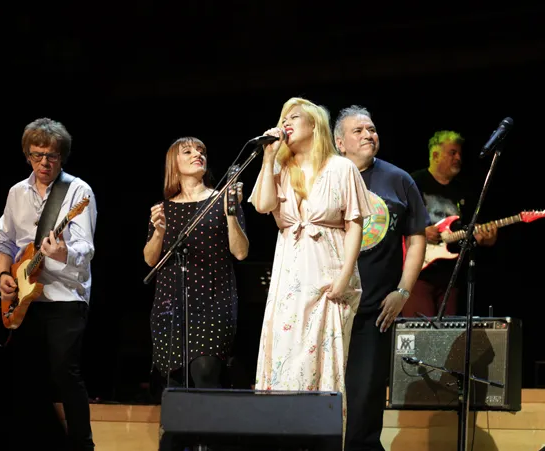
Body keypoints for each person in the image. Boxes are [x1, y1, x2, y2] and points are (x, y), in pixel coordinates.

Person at [249, 97, 373, 428]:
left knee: (323, 362)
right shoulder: (280, 169)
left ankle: (320, 439)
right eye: (283, 118)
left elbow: (355, 225)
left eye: (294, 117)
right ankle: (281, 437)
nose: (286, 123)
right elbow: (262, 206)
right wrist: (268, 158)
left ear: (314, 125)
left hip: (328, 276)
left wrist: (344, 277)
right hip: (290, 278)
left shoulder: (341, 168)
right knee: (285, 357)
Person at [0, 117, 98, 451]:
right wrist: (4, 275)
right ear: (28, 155)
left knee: (65, 374)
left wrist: (62, 253)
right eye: (37, 155)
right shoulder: (16, 193)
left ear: (61, 156)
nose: (44, 162)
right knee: (23, 381)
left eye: (51, 155)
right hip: (25, 300)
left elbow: (86, 247)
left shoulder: (77, 191)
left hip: (65, 296)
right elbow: (3, 242)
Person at [333, 105, 429, 451]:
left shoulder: (398, 180)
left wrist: (403, 291)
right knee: (323, 387)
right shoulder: (326, 177)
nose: (368, 135)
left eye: (371, 129)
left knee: (367, 391)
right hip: (329, 304)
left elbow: (417, 239)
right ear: (339, 142)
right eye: (358, 131)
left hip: (376, 307)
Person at [144, 136, 249, 391]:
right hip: (171, 304)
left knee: (205, 372)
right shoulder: (163, 208)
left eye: (201, 151)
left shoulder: (223, 199)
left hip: (214, 301)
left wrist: (231, 212)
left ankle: (211, 419)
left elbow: (240, 252)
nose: (197, 154)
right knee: (173, 382)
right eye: (188, 151)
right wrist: (159, 232)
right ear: (174, 163)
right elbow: (150, 259)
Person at [402, 130, 497, 319]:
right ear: (435, 154)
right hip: (417, 275)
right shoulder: (413, 182)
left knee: (447, 333)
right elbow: (394, 220)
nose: (458, 158)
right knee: (419, 331)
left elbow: (469, 230)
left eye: (460, 153)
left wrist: (484, 238)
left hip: (451, 278)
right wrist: (419, 231)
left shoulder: (464, 191)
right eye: (452, 153)